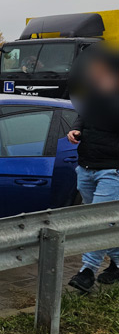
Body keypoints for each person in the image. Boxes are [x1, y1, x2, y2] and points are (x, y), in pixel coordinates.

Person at [66, 43, 119, 292]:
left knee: (96, 221)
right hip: (86, 165)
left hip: (113, 168)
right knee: (102, 221)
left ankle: (87, 272)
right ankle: (118, 262)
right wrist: (75, 128)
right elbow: (84, 114)